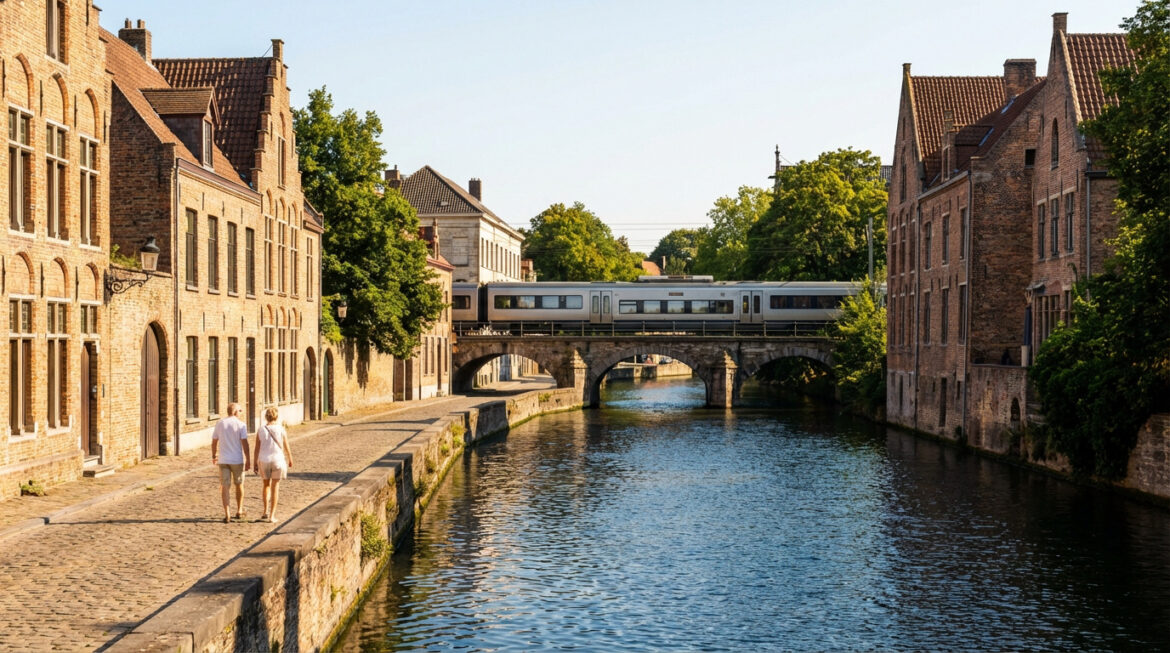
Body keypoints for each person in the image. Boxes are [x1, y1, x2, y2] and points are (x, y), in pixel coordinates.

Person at [211, 403, 251, 523]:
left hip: (223, 460)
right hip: (237, 460)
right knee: (239, 485)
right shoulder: (241, 425)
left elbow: (214, 442)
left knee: (225, 486)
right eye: (240, 410)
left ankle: (227, 513)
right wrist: (248, 459)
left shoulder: (220, 423)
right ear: (235, 412)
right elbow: (245, 444)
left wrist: (214, 455)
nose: (241, 412)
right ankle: (239, 510)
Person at [253, 407, 293, 523]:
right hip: (277, 460)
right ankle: (272, 516)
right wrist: (290, 458)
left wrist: (255, 462)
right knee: (275, 487)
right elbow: (286, 445)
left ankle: (264, 511)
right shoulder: (280, 429)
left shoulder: (261, 430)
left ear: (266, 417)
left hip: (264, 460)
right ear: (277, 416)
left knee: (266, 485)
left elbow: (256, 448)